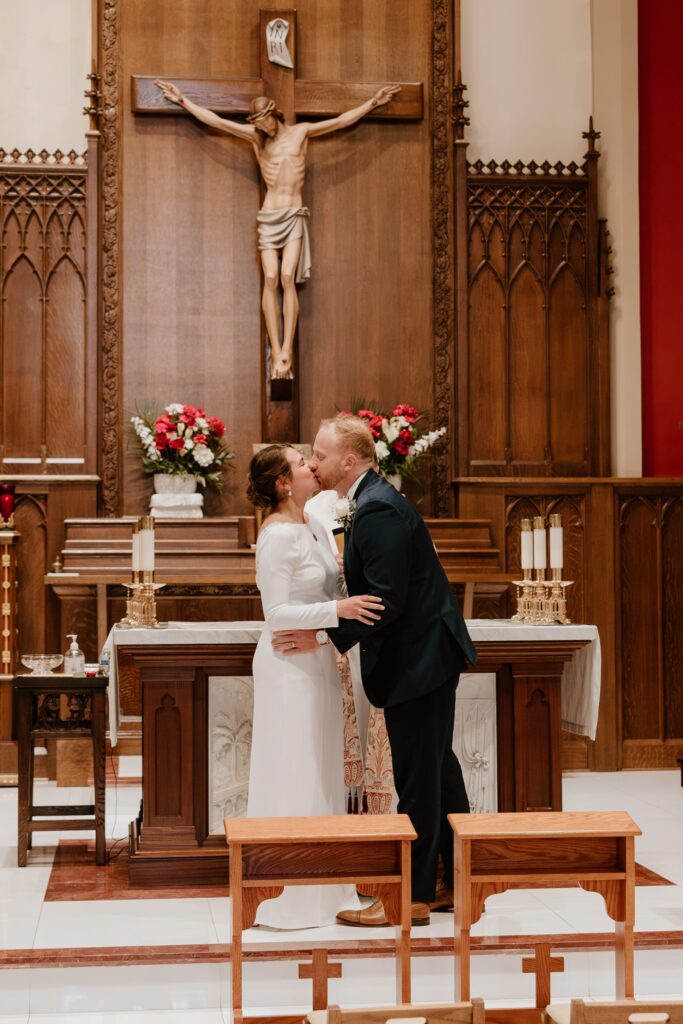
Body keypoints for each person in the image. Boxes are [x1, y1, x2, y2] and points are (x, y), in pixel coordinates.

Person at [272, 415, 477, 926]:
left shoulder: (378, 509)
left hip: (420, 660)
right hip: (426, 656)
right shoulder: (373, 500)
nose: (313, 462)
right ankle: (455, 880)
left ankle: (410, 898)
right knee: (439, 770)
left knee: (419, 779)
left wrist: (323, 635)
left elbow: (384, 600)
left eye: (319, 454)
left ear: (349, 460)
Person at [154, 81, 401, 381]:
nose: (263, 128)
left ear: (274, 114)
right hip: (269, 215)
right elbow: (216, 121)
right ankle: (275, 348)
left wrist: (373, 102)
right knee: (270, 277)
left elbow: (341, 121)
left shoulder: (301, 132)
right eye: (257, 124)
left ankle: (287, 349)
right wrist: (183, 101)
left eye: (264, 121)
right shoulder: (257, 140)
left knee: (287, 277)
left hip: (294, 214)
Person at [246, 443, 384, 929]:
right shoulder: (277, 537)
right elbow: (275, 614)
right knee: (295, 765)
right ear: (283, 482)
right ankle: (291, 889)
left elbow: (335, 585)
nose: (311, 464)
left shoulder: (317, 524)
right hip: (287, 665)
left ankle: (328, 884)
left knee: (324, 765)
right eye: (302, 462)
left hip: (319, 657)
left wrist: (339, 614)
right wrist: (337, 613)